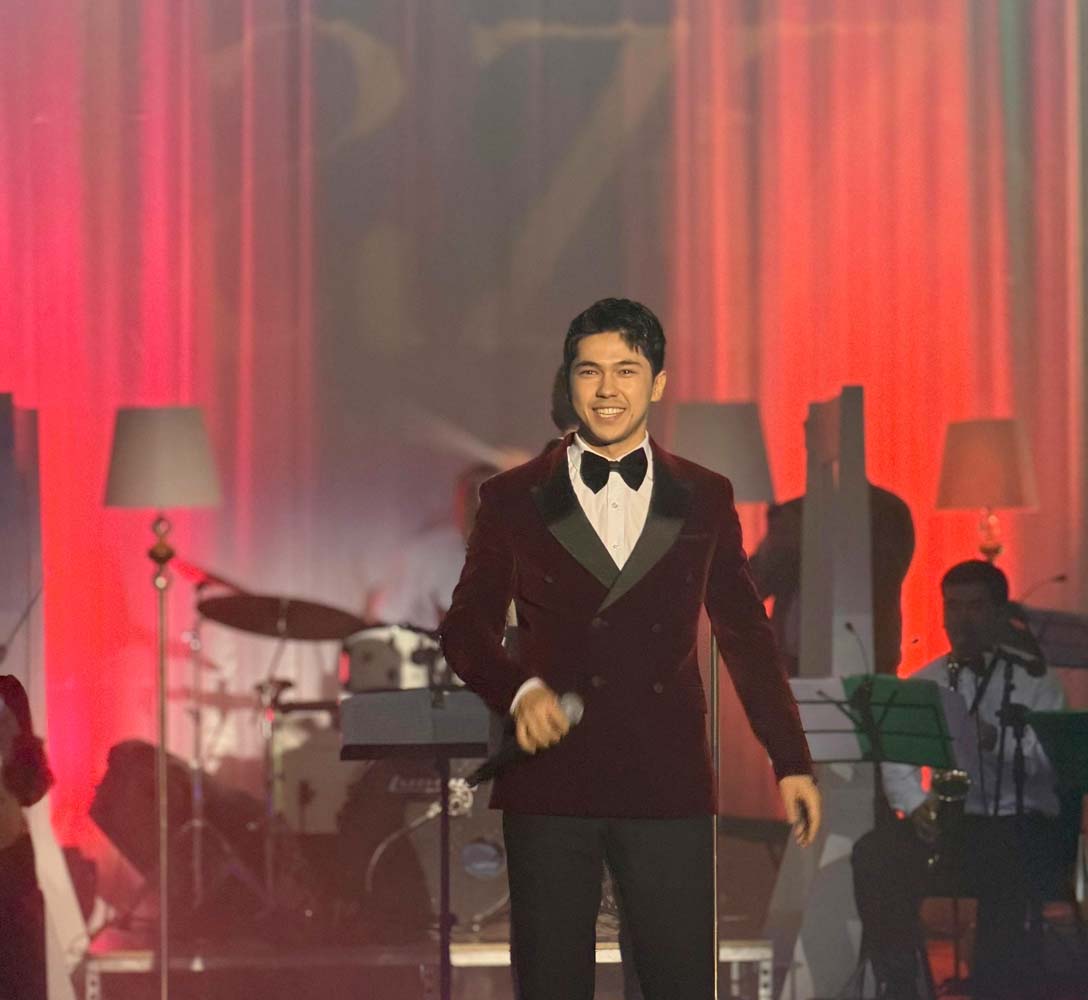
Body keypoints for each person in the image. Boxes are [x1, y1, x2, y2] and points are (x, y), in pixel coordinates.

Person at [441, 297, 821, 1000]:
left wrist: (791, 759)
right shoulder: (513, 498)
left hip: (666, 777)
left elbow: (746, 635)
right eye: (590, 371)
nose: (607, 388)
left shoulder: (704, 495)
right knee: (551, 984)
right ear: (570, 381)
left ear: (658, 381)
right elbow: (464, 629)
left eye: (626, 369)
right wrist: (519, 691)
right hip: (552, 781)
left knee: (679, 982)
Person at [851, 560, 1066, 1000]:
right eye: (953, 606)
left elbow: (1052, 766)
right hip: (956, 823)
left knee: (1005, 860)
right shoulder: (925, 681)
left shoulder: (1035, 681)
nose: (961, 619)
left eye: (975, 606)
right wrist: (916, 807)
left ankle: (993, 986)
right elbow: (897, 758)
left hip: (1020, 822)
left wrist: (996, 740)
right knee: (874, 853)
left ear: (1000, 613)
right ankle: (901, 977)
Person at [749, 484, 915, 676]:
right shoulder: (795, 512)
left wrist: (812, 543)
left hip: (863, 662)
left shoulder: (885, 510)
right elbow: (750, 589)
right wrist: (774, 547)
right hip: (791, 666)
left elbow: (882, 584)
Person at [0, 674, 53, 1000]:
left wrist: (14, 744)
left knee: (19, 969)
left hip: (11, 857)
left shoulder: (8, 692)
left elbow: (31, 786)